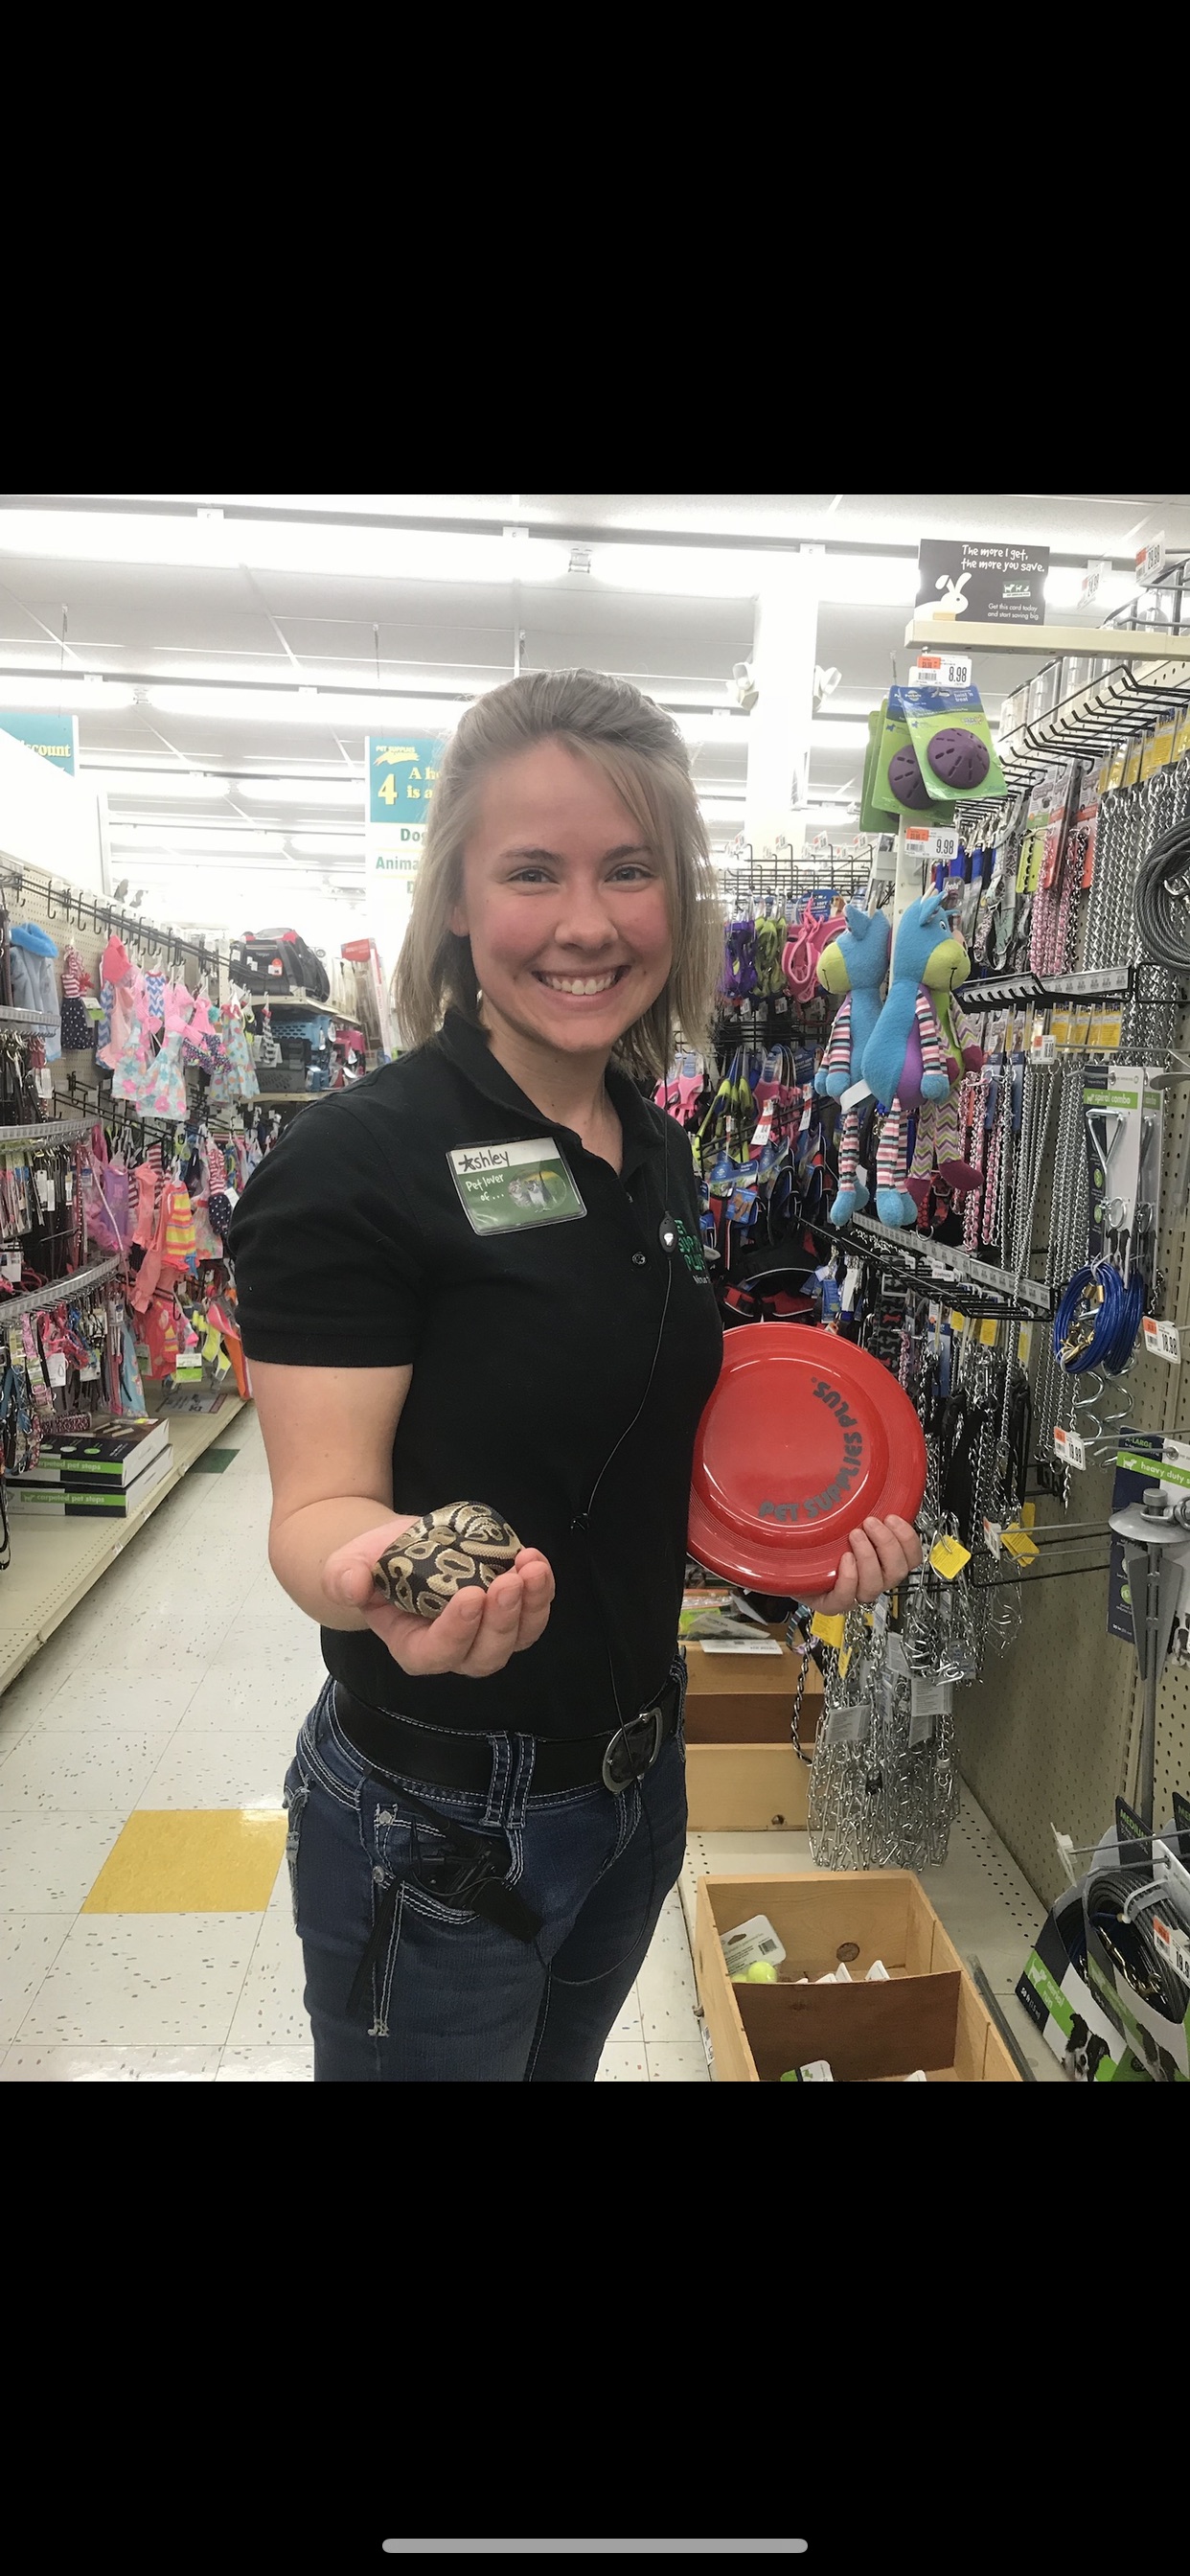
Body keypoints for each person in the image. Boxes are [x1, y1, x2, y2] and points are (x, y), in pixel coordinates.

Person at [228, 670, 922, 2082]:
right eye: (532, 872)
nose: (588, 922)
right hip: (439, 1820)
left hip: (635, 1787)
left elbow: (623, 1443)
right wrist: (387, 1589)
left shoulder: (652, 1145)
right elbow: (315, 1513)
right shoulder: (351, 1167)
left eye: (631, 870)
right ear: (457, 898)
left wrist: (792, 1547)